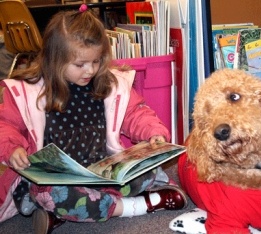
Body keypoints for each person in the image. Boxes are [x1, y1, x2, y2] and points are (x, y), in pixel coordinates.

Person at [0, 5, 187, 234]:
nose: (89, 70)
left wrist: (153, 132)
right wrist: (12, 149)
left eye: (96, 61)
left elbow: (135, 112)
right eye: (80, 65)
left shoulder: (108, 84)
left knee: (145, 171)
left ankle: (68, 213)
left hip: (99, 171)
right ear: (54, 59)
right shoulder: (30, 92)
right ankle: (140, 205)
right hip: (56, 179)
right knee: (50, 193)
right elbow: (5, 125)